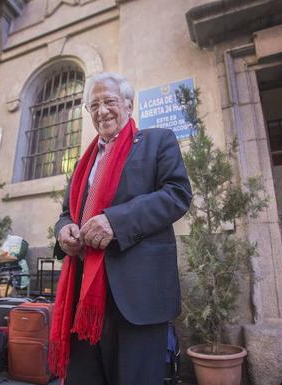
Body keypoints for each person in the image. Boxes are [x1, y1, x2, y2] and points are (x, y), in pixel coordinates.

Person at [49, 72, 192, 385]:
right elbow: (65, 214)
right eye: (94, 105)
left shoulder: (157, 141)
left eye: (109, 101)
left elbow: (177, 195)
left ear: (128, 104)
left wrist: (115, 221)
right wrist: (64, 231)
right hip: (83, 295)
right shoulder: (82, 163)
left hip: (136, 293)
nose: (102, 111)